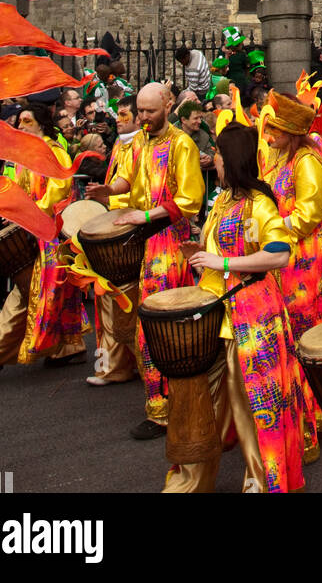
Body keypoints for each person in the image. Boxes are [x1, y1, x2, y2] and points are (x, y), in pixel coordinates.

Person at [164, 120, 306, 494]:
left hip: (250, 319)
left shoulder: (260, 203)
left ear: (233, 159)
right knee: (201, 406)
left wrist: (222, 263)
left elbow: (279, 254)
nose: (215, 162)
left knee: (253, 407)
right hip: (216, 315)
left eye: (220, 155)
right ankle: (190, 483)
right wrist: (203, 255)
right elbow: (219, 250)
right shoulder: (224, 199)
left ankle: (263, 482)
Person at [86, 82, 205, 439]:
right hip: (144, 243)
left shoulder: (182, 144)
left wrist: (147, 215)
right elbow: (127, 178)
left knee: (166, 328)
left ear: (168, 106)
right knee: (145, 329)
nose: (143, 118)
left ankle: (176, 407)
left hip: (169, 243)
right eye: (139, 111)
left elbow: (189, 201)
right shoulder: (138, 141)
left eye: (149, 111)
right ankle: (159, 407)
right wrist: (110, 190)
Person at [0, 104, 87, 378]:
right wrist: (10, 209)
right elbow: (16, 189)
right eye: (19, 121)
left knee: (49, 294)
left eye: (26, 121)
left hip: (51, 236)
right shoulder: (22, 156)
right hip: (30, 233)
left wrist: (30, 213)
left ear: (41, 124)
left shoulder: (55, 152)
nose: (20, 126)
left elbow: (59, 190)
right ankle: (62, 348)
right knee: (35, 294)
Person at [260, 89, 322, 462]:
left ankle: (319, 414)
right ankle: (308, 416)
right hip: (290, 258)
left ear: (291, 133)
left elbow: (310, 215)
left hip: (307, 260)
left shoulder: (307, 161)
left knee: (307, 332)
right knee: (297, 333)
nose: (268, 137)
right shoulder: (283, 158)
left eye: (275, 131)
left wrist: (271, 229)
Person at [86, 96, 142, 388]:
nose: (118, 119)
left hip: (131, 229)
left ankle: (124, 366)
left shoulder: (141, 145)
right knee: (109, 301)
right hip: (116, 225)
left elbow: (142, 192)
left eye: (124, 114)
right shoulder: (122, 144)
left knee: (120, 301)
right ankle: (110, 366)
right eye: (118, 114)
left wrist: (110, 196)